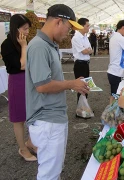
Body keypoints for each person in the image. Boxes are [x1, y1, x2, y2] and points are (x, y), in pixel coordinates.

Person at [26, 4, 89, 179]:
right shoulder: (39, 46)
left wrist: (72, 83)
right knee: (49, 174)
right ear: (58, 22)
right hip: (47, 119)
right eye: (68, 28)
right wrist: (71, 84)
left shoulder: (49, 45)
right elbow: (42, 85)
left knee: (54, 169)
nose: (68, 34)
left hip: (53, 118)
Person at [1, 14, 37, 161]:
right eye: (25, 28)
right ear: (16, 28)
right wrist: (24, 46)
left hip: (28, 80)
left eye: (28, 28)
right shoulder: (7, 44)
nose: (27, 32)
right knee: (19, 118)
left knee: (31, 114)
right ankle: (22, 149)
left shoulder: (23, 40)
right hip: (17, 81)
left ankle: (30, 142)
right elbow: (21, 65)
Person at [107, 20, 124, 104]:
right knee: (115, 95)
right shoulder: (121, 38)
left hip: (112, 71)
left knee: (114, 94)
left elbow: (121, 55)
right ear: (122, 28)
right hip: (116, 71)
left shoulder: (113, 36)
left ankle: (111, 110)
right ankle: (110, 113)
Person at [72, 18, 92, 103]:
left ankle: (84, 108)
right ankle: (80, 110)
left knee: (86, 86)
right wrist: (87, 50)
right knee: (81, 87)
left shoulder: (85, 37)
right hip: (80, 65)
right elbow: (84, 51)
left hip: (85, 64)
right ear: (81, 26)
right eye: (87, 26)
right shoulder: (76, 38)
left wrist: (87, 50)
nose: (88, 28)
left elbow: (90, 50)